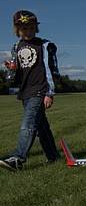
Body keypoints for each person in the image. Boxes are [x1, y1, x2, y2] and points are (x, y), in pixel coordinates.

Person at [1, 10, 60, 172]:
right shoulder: (16, 47)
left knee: (28, 124)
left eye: (31, 28)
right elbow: (16, 74)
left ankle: (18, 159)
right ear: (17, 30)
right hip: (25, 92)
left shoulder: (45, 45)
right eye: (24, 28)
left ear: (36, 28)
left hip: (39, 90)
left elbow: (52, 70)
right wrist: (12, 69)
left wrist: (49, 93)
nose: (28, 31)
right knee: (41, 127)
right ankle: (53, 157)